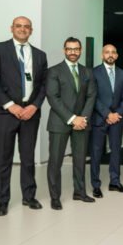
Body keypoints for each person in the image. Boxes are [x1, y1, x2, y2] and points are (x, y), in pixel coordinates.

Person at [0, 16, 48, 216]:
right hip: (5, 113)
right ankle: (3, 201)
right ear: (11, 28)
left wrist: (34, 106)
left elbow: (44, 84)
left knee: (28, 158)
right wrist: (10, 105)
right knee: (4, 158)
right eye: (18, 26)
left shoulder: (40, 55)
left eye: (26, 27)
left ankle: (29, 196)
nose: (22, 29)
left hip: (30, 113)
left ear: (31, 30)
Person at [46, 37, 97, 209]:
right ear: (64, 50)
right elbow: (53, 97)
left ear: (80, 50)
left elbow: (91, 96)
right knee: (55, 161)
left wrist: (82, 118)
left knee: (80, 159)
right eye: (69, 49)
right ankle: (55, 197)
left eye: (76, 49)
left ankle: (80, 192)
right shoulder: (54, 71)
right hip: (59, 122)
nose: (73, 52)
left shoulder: (87, 72)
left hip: (82, 122)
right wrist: (72, 118)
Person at [89, 44, 123, 198]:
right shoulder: (94, 72)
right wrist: (107, 114)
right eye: (107, 52)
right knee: (96, 152)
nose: (110, 55)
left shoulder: (122, 73)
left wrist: (117, 113)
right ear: (102, 55)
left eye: (113, 52)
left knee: (116, 151)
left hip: (117, 119)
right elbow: (93, 96)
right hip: (99, 118)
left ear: (117, 55)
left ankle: (115, 182)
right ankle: (96, 185)